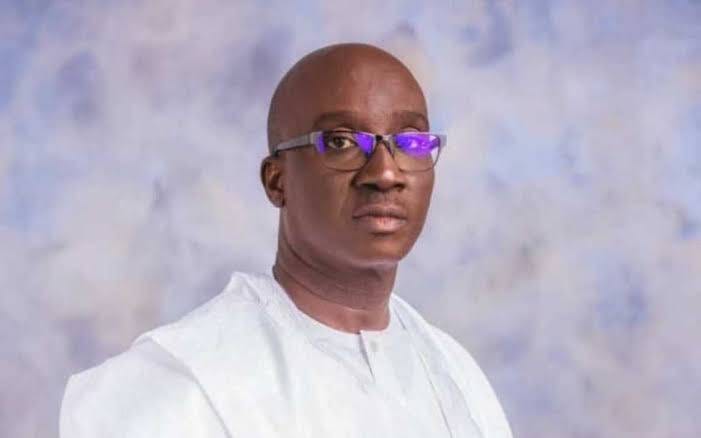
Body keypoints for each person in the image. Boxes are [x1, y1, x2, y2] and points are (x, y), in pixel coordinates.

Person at [60, 43, 512, 438]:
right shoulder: (182, 384)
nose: (386, 173)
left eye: (410, 141)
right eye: (340, 142)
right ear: (277, 181)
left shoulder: (454, 372)